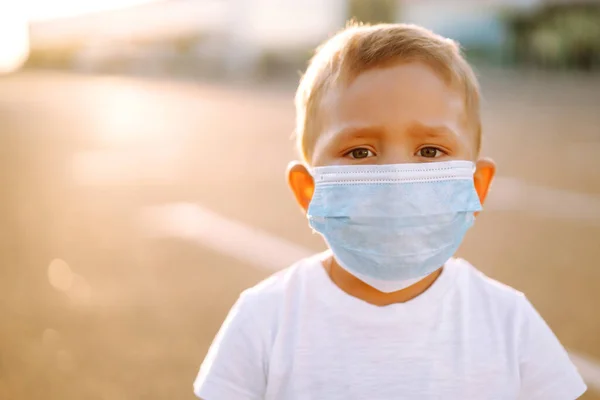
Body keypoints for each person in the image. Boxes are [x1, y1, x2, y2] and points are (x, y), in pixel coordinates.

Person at [193, 23, 587, 400]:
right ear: (308, 190)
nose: (396, 178)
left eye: (430, 152)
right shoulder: (265, 318)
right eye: (359, 152)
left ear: (476, 185)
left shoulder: (508, 320)